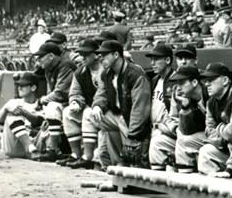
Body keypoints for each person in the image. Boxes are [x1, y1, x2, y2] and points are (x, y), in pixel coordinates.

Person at [88, 39, 151, 169]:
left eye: (104, 55)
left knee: (136, 162)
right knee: (93, 115)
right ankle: (117, 165)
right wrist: (97, 106)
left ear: (116, 55)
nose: (101, 58)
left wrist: (133, 135)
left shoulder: (135, 73)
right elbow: (102, 93)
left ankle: (131, 164)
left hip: (134, 122)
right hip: (118, 116)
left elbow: (140, 108)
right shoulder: (107, 73)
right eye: (100, 55)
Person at [195, 62, 232, 175]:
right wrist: (223, 136)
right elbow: (209, 130)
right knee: (205, 151)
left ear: (225, 80)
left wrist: (219, 128)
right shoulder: (211, 102)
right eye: (206, 80)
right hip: (225, 146)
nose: (206, 84)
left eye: (211, 80)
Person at [59, 38, 104, 169]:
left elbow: (106, 93)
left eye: (86, 54)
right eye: (81, 54)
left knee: (88, 113)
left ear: (96, 55)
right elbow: (75, 91)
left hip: (104, 109)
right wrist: (75, 101)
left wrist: (97, 106)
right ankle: (76, 154)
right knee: (68, 112)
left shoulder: (105, 69)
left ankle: (88, 157)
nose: (82, 57)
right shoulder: (81, 71)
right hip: (90, 108)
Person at [32, 41, 76, 161]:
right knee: (48, 110)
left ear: (51, 56)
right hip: (63, 103)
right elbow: (51, 92)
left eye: (41, 57)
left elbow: (60, 93)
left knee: (52, 107)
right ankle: (52, 149)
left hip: (75, 102)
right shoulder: (49, 68)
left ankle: (54, 149)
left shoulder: (66, 66)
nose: (38, 61)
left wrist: (41, 100)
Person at [0, 72, 43, 159]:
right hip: (16, 146)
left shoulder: (40, 103)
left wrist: (24, 112)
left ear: (33, 88)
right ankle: (29, 147)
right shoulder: (14, 102)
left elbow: (39, 122)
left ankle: (32, 149)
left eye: (23, 85)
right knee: (12, 111)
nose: (19, 88)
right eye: (19, 85)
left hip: (36, 144)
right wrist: (6, 109)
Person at [147, 43, 179, 171]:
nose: (152, 63)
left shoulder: (177, 81)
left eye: (156, 59)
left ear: (167, 60)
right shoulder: (154, 80)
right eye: (151, 59)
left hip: (169, 131)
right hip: (154, 129)